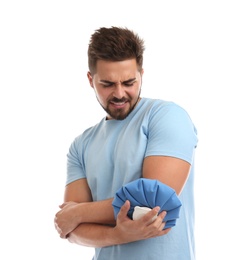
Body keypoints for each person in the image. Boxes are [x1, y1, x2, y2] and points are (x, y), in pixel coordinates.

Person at [54, 26, 198, 260]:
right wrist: (121, 235)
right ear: (91, 80)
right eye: (107, 84)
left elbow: (156, 202)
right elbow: (72, 230)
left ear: (141, 74)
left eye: (129, 82)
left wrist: (79, 212)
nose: (120, 93)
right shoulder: (81, 145)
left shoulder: (167, 116)